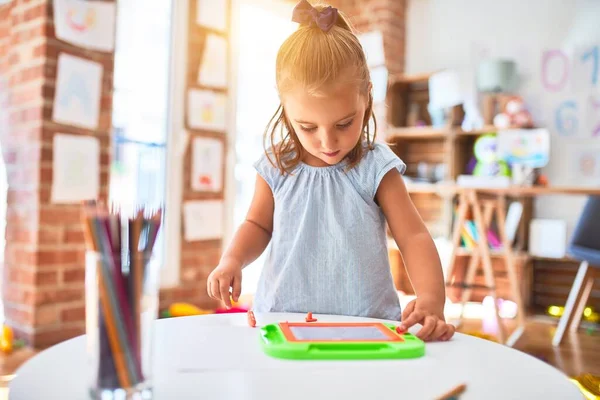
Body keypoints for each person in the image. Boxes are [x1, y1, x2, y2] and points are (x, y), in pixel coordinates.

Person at [207, 0, 455, 342]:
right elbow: (257, 225)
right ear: (285, 107)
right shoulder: (275, 166)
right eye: (307, 127)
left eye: (344, 123)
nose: (327, 142)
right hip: (283, 320)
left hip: (368, 326)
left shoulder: (377, 167)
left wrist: (430, 299)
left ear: (366, 97)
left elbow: (413, 237)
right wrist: (232, 260)